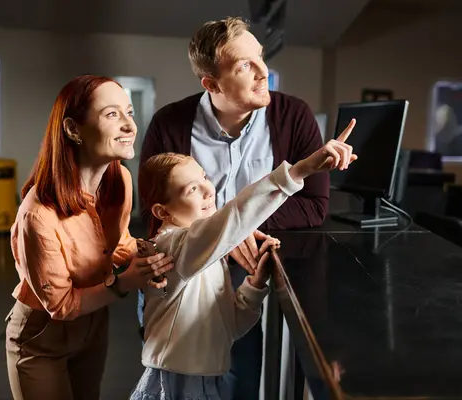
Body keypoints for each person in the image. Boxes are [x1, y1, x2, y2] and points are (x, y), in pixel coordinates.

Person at [139, 16, 336, 398]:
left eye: (260, 58)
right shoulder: (170, 123)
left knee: (239, 376)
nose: (264, 73)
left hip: (242, 272)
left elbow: (314, 206)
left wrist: (236, 233)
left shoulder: (294, 116)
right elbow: (153, 213)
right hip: (180, 273)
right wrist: (227, 232)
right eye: (245, 65)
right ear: (211, 84)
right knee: (174, 373)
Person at [131, 122, 356, 400]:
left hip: (206, 380)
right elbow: (235, 217)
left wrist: (254, 285)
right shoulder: (172, 247)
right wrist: (300, 170)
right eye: (192, 189)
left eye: (204, 178)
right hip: (177, 382)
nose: (208, 190)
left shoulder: (201, 255)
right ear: (161, 211)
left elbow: (229, 328)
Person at [5, 74, 174, 400]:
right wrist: (127, 282)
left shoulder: (120, 180)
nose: (129, 126)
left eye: (129, 112)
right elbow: (61, 306)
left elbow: (119, 243)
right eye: (112, 114)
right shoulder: (38, 214)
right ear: (72, 130)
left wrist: (157, 251)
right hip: (41, 336)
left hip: (94, 324)